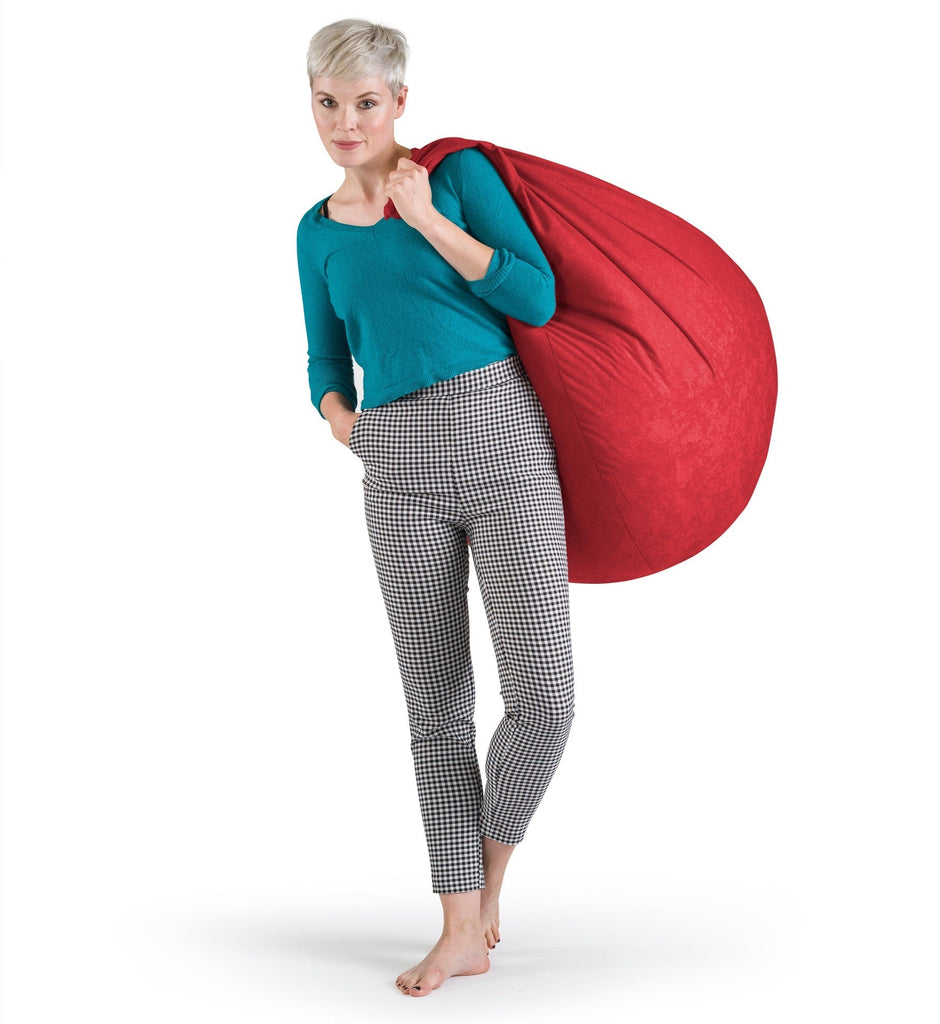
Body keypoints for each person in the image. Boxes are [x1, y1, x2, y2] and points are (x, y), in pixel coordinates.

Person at [296, 19, 575, 998]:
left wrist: (426, 221)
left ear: (400, 102)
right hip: (397, 464)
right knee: (437, 706)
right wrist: (346, 425)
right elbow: (324, 356)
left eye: (365, 102)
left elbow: (535, 298)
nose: (346, 122)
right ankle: (459, 926)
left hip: (503, 437)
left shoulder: (455, 178)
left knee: (545, 697)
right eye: (327, 102)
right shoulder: (315, 230)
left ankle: (487, 881)